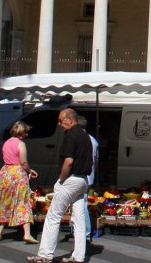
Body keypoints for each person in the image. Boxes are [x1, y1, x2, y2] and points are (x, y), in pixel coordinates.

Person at [28, 109, 93, 263]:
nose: (59, 125)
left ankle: (45, 255)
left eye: (61, 121)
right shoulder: (85, 135)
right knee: (79, 219)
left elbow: (68, 161)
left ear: (69, 120)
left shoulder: (71, 135)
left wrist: (61, 179)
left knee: (53, 216)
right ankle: (78, 257)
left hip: (71, 180)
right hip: (83, 180)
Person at [0, 121, 38, 243]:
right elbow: (23, 162)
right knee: (22, 201)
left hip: (5, 172)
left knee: (4, 201)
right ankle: (27, 234)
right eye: (25, 132)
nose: (27, 134)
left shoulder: (6, 143)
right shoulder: (21, 144)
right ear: (21, 132)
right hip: (17, 173)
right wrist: (30, 171)